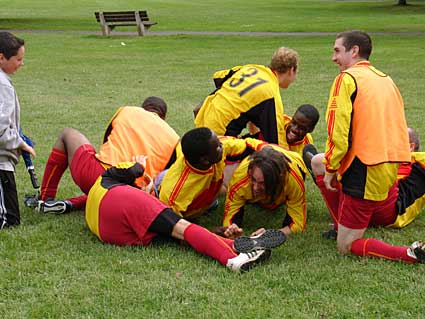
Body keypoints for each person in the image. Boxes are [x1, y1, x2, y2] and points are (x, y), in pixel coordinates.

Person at [309, 30, 424, 263]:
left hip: (364, 170)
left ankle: (409, 253)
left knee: (346, 246)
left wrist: (332, 168)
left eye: (337, 51)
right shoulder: (385, 79)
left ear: (354, 51)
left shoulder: (347, 79)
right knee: (315, 162)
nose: (333, 57)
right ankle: (342, 222)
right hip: (388, 170)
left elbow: (338, 134)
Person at [85, 155, 287, 272]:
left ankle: (239, 245)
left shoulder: (95, 190)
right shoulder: (111, 176)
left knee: (181, 237)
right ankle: (233, 259)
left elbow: (81, 200)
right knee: (183, 228)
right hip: (122, 201)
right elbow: (135, 168)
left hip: (107, 230)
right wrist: (139, 163)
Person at [26, 97, 179, 213]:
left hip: (99, 176)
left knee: (68, 134)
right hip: (133, 196)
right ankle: (70, 203)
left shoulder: (128, 111)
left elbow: (107, 141)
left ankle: (46, 197)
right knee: (112, 192)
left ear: (143, 108)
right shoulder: (174, 138)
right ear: (163, 118)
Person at [194, 47, 299, 147]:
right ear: (291, 70)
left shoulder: (250, 68)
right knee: (261, 149)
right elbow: (276, 140)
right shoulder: (271, 94)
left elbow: (218, 76)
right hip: (218, 139)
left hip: (201, 123)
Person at [158, 127, 260, 223]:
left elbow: (248, 144)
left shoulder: (215, 147)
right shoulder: (174, 194)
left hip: (203, 197)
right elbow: (173, 226)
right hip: (166, 188)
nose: (222, 145)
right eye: (218, 147)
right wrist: (211, 232)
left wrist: (272, 150)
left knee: (216, 200)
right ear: (205, 160)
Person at [222, 145, 308, 237]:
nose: (255, 188)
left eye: (262, 183)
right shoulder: (239, 179)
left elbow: (298, 225)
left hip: (295, 160)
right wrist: (231, 230)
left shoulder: (293, 180)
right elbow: (228, 221)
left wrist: (269, 235)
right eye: (253, 180)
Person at [0, 32, 36, 229]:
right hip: (1, 161)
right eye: (18, 59)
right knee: (10, 221)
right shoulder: (3, 85)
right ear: (1, 57)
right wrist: (19, 143)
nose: (21, 63)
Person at [244, 104, 320, 156]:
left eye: (301, 128)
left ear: (311, 129)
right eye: (293, 122)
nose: (294, 129)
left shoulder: (307, 145)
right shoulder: (278, 121)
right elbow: (252, 114)